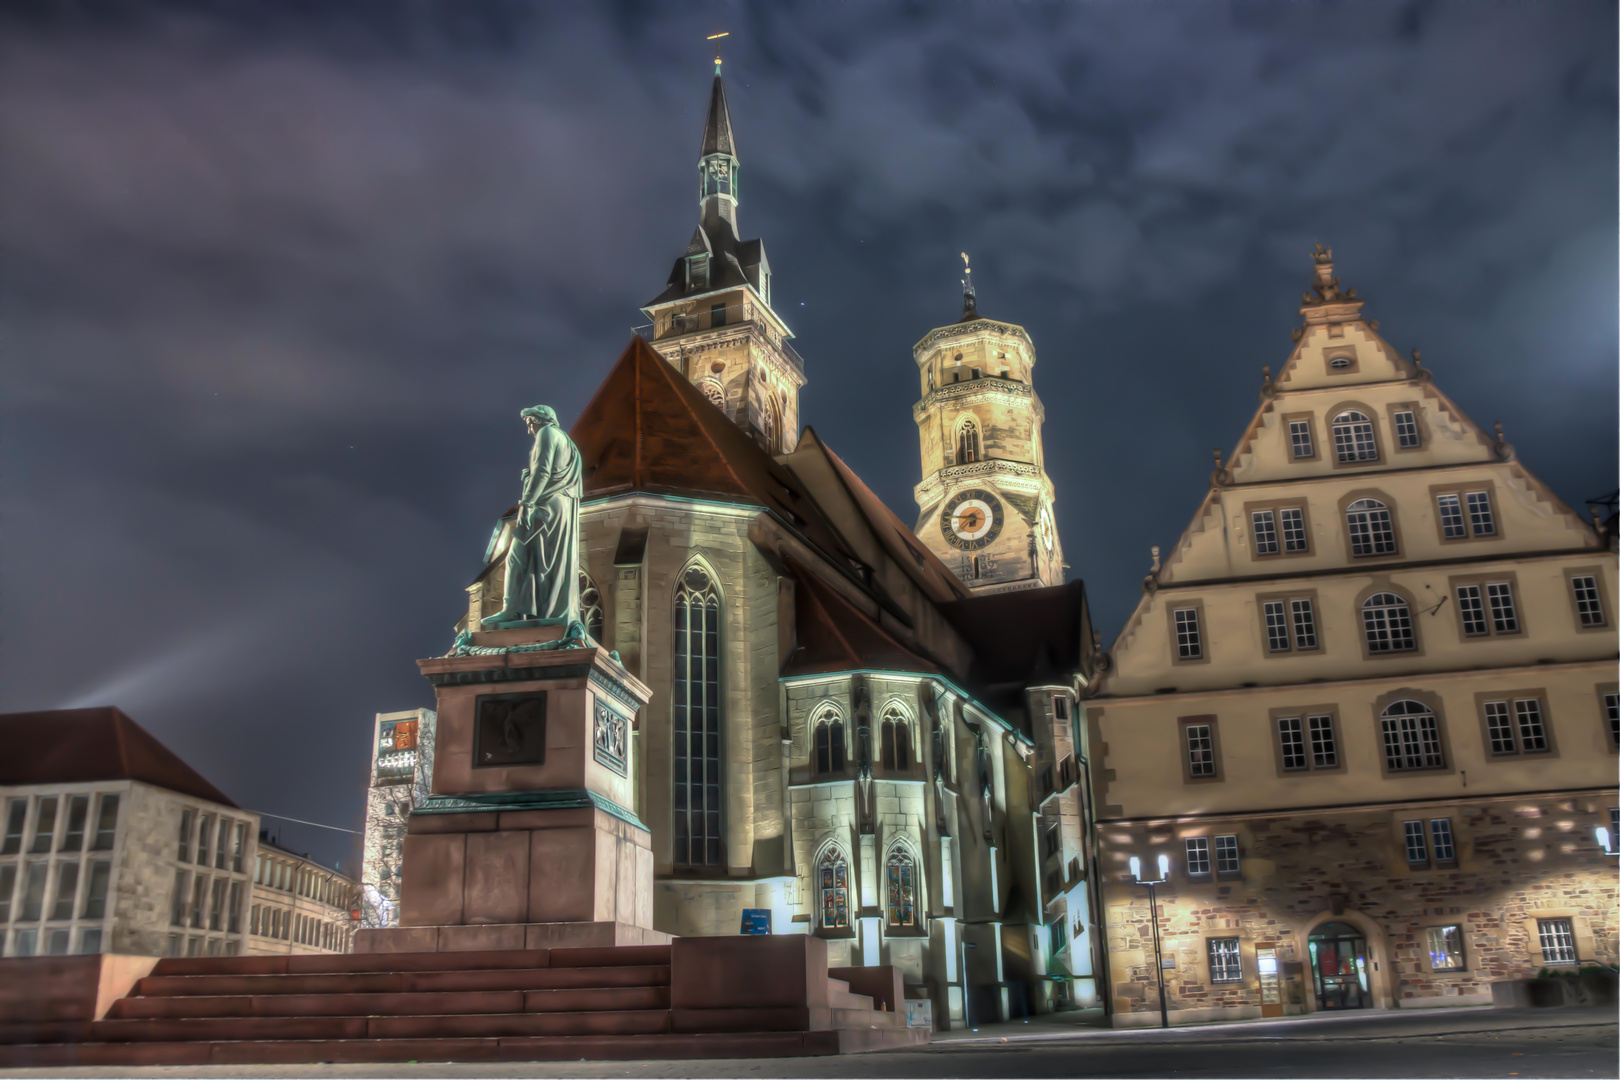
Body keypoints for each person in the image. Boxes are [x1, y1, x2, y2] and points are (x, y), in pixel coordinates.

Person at [481, 404, 582, 629]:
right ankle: (539, 611)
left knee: (518, 554)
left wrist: (526, 503)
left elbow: (543, 471)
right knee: (544, 561)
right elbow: (556, 472)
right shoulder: (568, 442)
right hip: (561, 505)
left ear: (541, 419)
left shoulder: (547, 433)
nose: (529, 430)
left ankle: (513, 611)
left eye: (530, 423)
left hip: (544, 505)